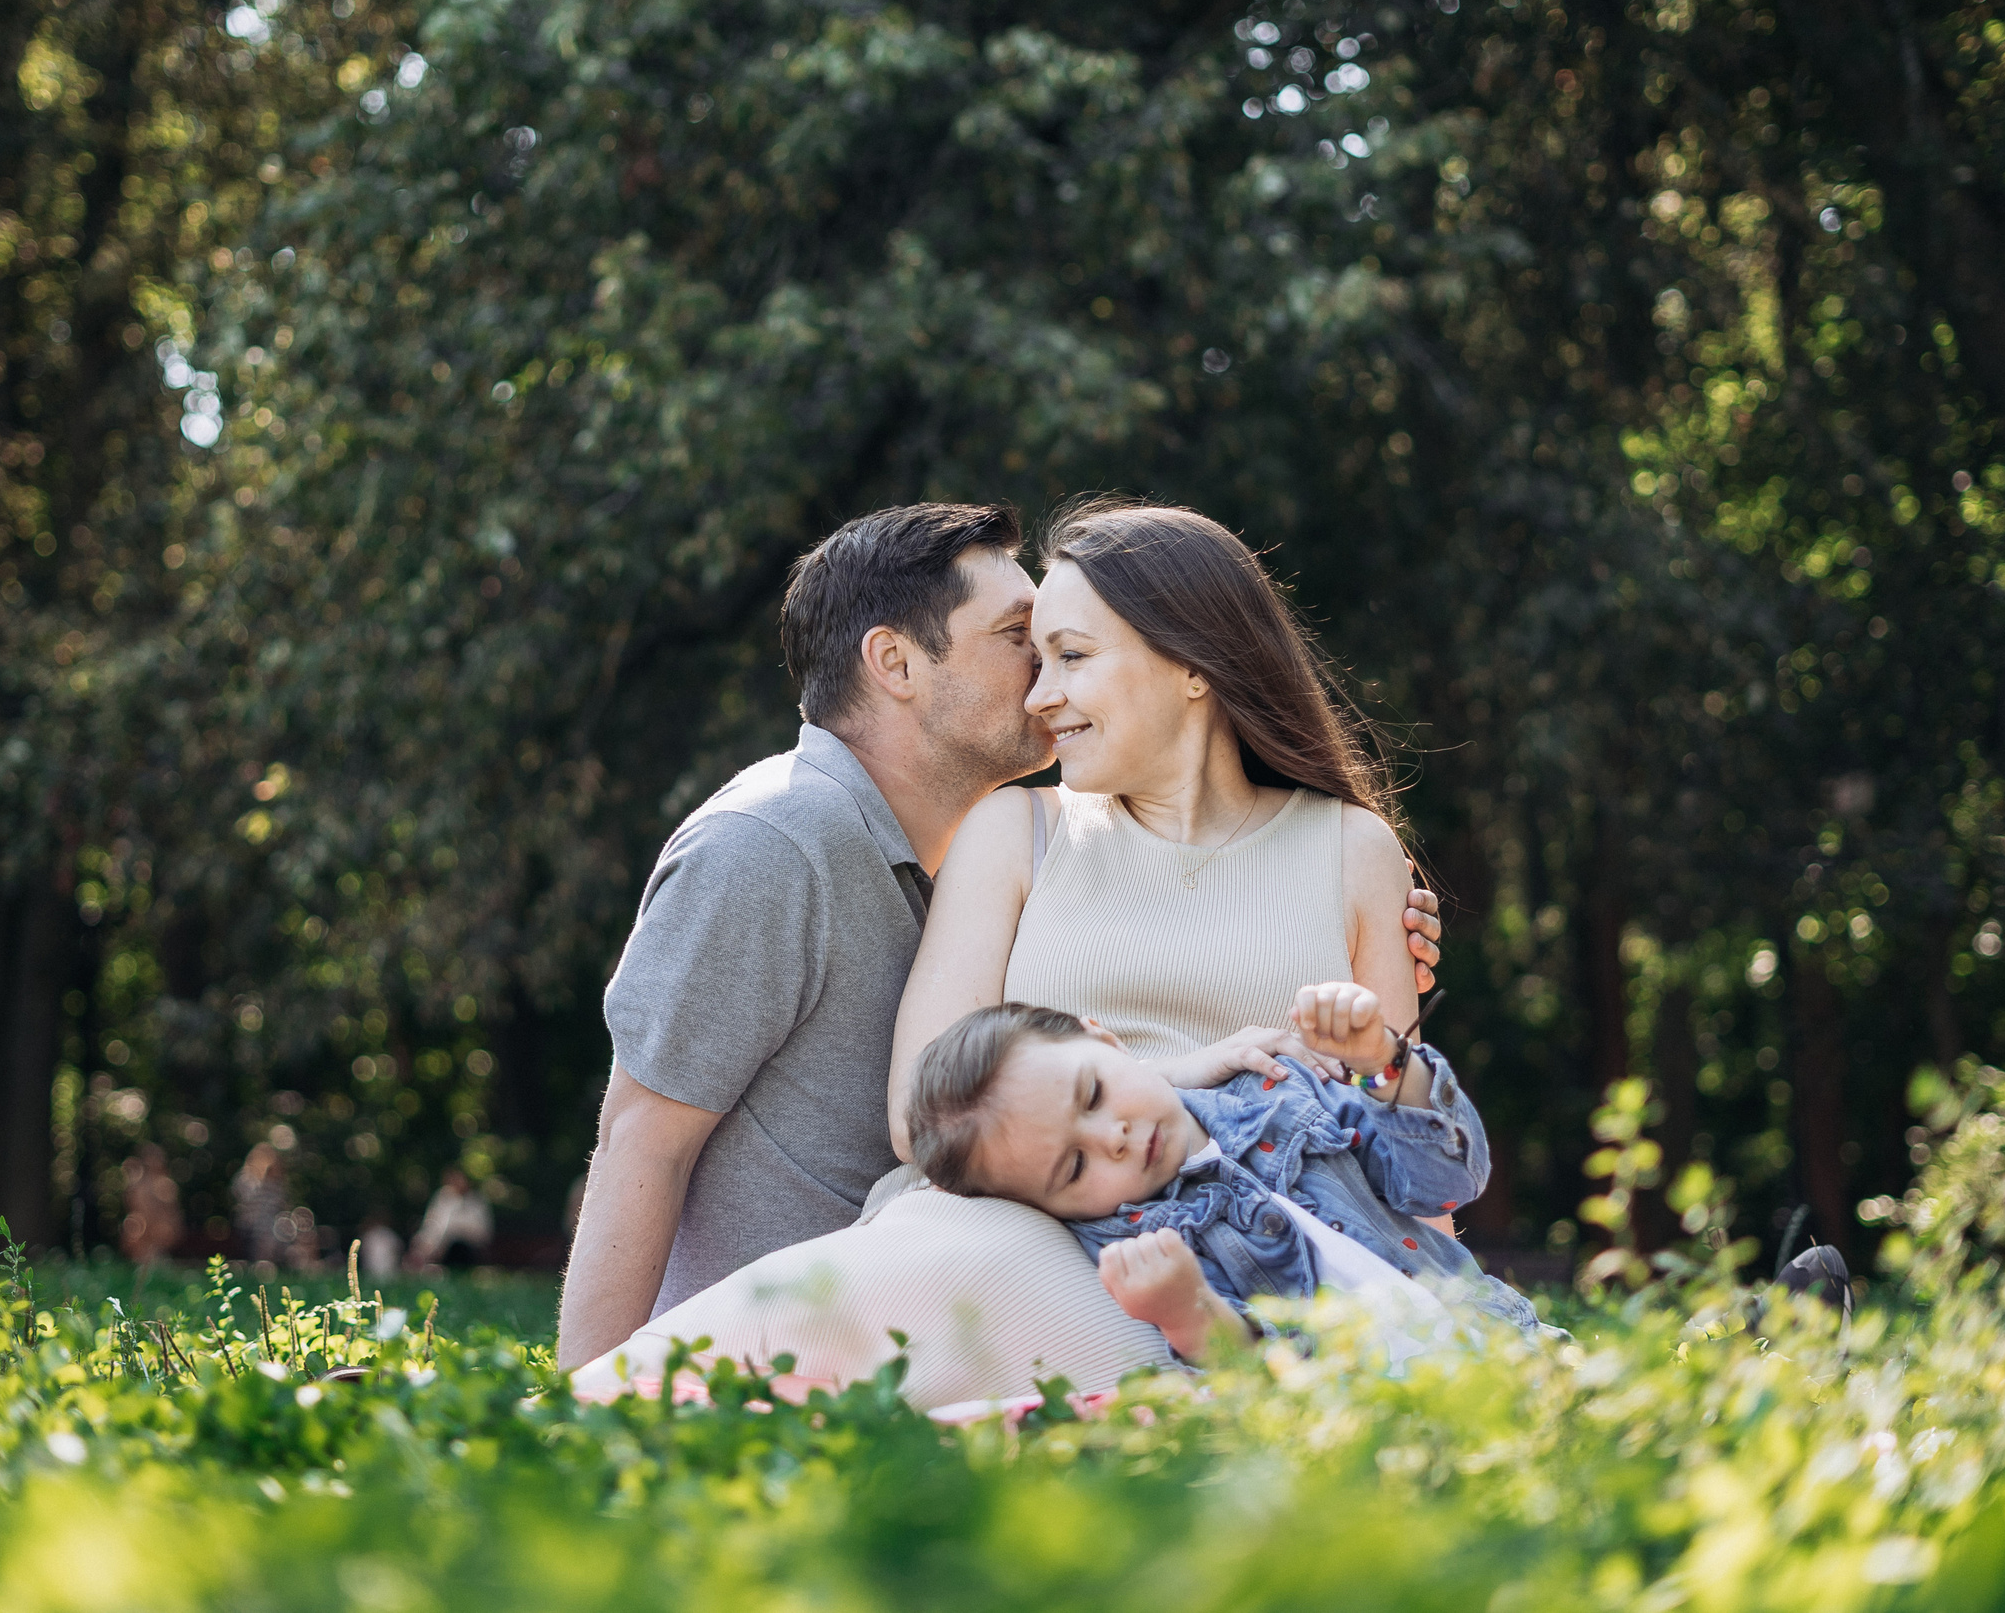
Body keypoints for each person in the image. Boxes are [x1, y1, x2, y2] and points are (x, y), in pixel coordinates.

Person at [580, 501, 1464, 1408]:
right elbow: (922, 1107)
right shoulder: (1009, 830)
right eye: (1032, 653)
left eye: (1069, 657)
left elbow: (1407, 1167)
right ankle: (586, 1414)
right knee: (948, 1271)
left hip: (1252, 1268)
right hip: (1018, 1226)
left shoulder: (1355, 851)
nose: (1041, 693)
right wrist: (1180, 1081)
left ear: (1192, 664)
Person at [905, 999, 1541, 1362]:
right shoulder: (1135, 1246)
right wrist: (1188, 1313)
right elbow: (1252, 1375)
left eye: (1093, 1093)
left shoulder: (1278, 1090)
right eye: (1073, 1168)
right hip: (1366, 1426)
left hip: (1501, 1343)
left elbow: (1451, 1182)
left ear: (1104, 1038)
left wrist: (1385, 1064)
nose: (1112, 1138)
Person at [408, 1167, 494, 1270]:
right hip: (441, 1247)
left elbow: (483, 1233)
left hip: (468, 1248)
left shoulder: (477, 1202)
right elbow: (432, 1225)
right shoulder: (441, 1199)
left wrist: (457, 1231)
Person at [118, 1143, 183, 1268]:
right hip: (142, 1230)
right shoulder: (139, 1185)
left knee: (156, 1261)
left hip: (159, 1232)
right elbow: (134, 1208)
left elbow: (171, 1212)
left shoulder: (166, 1184)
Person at [230, 1142, 290, 1267]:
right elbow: (246, 1204)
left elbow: (278, 1207)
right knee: (265, 1231)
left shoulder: (276, 1184)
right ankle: (262, 1264)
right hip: (251, 1225)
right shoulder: (246, 1179)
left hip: (272, 1225)